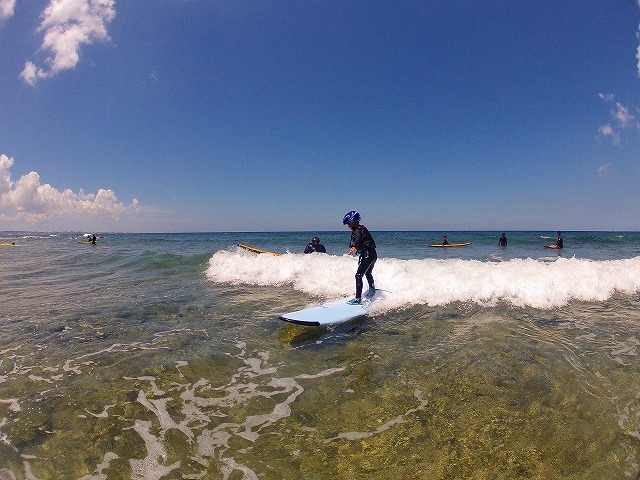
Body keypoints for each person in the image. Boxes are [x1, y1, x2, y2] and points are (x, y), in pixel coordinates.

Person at [343, 211, 377, 304]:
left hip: (367, 255)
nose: (348, 226)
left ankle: (358, 299)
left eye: (349, 224)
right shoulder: (362, 228)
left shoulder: (357, 230)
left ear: (353, 222)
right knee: (368, 273)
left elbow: (358, 238)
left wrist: (353, 247)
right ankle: (372, 289)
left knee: (358, 276)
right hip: (373, 254)